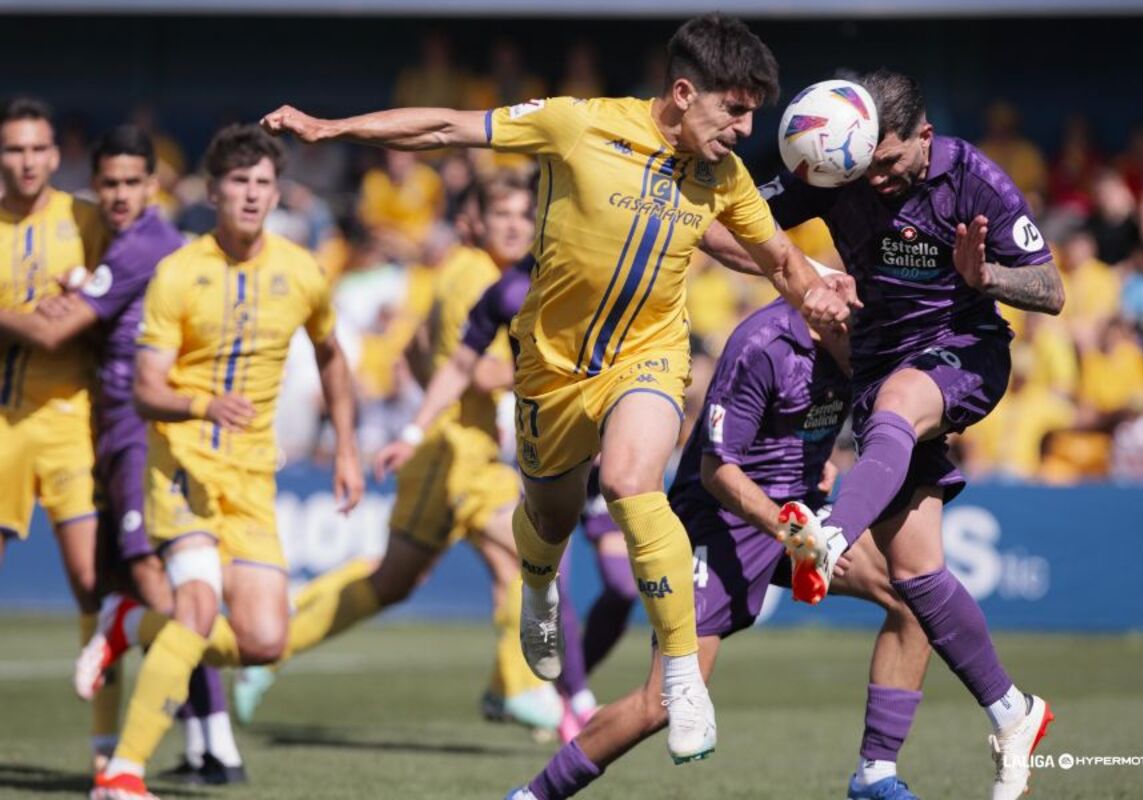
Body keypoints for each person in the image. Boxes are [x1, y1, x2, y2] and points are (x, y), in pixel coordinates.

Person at [262, 12, 851, 764]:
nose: (744, 129)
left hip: (648, 357)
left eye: (751, 114)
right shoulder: (576, 124)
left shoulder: (724, 176)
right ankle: (539, 586)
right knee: (549, 518)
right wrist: (331, 129)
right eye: (734, 109)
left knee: (633, 478)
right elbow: (447, 127)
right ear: (682, 91)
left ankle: (681, 679)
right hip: (550, 367)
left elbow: (773, 256)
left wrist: (820, 292)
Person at [704, 69, 1063, 799]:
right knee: (915, 575)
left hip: (962, 351)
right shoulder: (839, 166)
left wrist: (985, 275)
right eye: (868, 167)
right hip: (877, 367)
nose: (881, 180)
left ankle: (830, 534)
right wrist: (802, 272)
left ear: (924, 138)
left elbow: (1050, 290)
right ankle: (1011, 711)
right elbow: (721, 225)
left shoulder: (974, 178)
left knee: (901, 400)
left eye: (893, 164)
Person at [507, 296, 932, 800]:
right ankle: (532, 797)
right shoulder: (763, 345)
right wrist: (797, 536)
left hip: (792, 517)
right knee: (663, 702)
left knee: (911, 599)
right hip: (718, 522)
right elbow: (716, 470)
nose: (874, 361)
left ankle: (874, 775)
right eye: (867, 345)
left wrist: (816, 471)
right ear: (837, 326)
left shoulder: (857, 348)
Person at [79, 123, 363, 800]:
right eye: (238, 182)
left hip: (253, 476)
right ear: (212, 191)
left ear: (277, 192)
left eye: (263, 183)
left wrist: (346, 446)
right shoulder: (178, 272)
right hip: (180, 464)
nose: (251, 195)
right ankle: (123, 772)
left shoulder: (301, 270)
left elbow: (330, 353)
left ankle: (129, 622)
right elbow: (146, 390)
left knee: (265, 641)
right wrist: (205, 408)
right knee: (199, 608)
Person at [232, 172, 569, 736]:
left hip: (454, 445)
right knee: (527, 555)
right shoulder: (478, 277)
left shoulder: (469, 272)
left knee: (395, 581)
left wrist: (432, 396)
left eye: (522, 215)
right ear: (472, 222)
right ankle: (519, 687)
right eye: (501, 215)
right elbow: (480, 369)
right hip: (456, 452)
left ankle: (277, 641)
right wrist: (553, 369)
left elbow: (416, 349)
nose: (515, 226)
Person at [0, 124, 247, 782]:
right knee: (147, 579)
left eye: (130, 182)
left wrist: (60, 297)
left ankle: (190, 704)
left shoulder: (145, 243)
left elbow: (63, 328)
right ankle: (210, 742)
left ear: (153, 185)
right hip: (109, 431)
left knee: (147, 583)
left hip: (138, 431)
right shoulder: (122, 242)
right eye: (107, 182)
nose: (116, 194)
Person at [375, 253, 638, 740]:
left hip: (606, 449)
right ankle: (573, 700)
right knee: (548, 575)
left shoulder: (605, 266)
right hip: (546, 455)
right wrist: (413, 432)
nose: (524, 225)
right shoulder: (507, 289)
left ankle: (564, 688)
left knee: (623, 587)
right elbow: (459, 365)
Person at [0, 95, 110, 769]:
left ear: (55, 153)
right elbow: (44, 326)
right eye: (14, 148)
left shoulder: (87, 219)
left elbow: (122, 300)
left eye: (39, 147)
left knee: (92, 584)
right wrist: (40, 316)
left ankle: (107, 754)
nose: (28, 160)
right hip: (2, 420)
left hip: (73, 420)